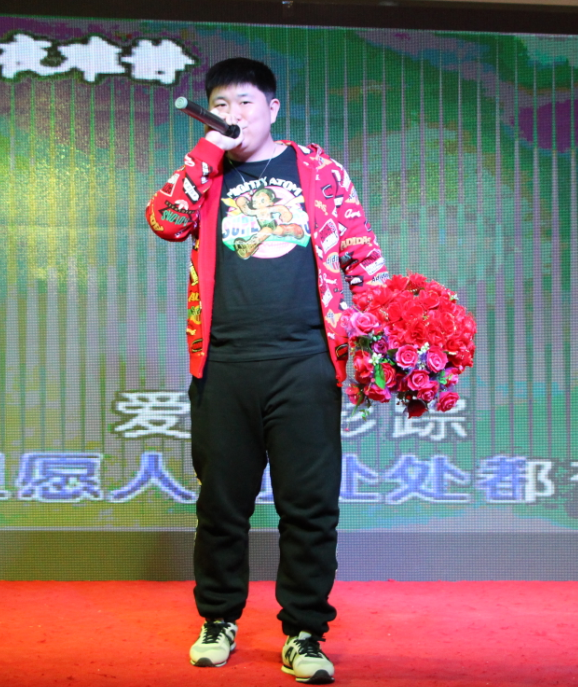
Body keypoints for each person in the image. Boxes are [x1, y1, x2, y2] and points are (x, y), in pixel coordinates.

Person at [146, 57, 388, 684]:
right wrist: (207, 152)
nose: (233, 115)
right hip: (224, 364)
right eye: (221, 105)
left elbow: (362, 256)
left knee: (309, 508)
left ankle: (304, 632)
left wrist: (384, 329)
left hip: (307, 363)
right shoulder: (205, 174)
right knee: (221, 506)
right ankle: (218, 619)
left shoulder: (319, 170)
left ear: (273, 108)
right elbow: (165, 221)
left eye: (245, 103)